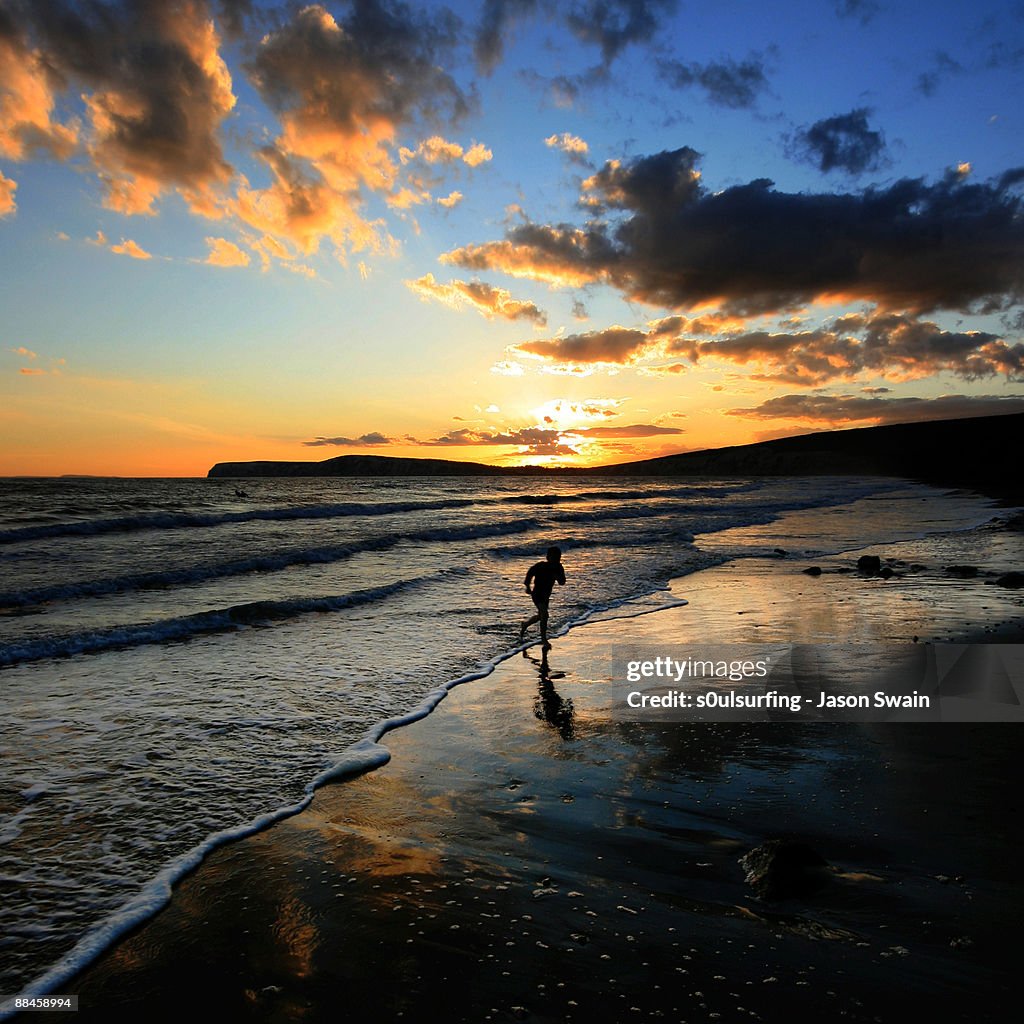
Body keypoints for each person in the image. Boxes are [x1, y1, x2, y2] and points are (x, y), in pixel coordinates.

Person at [520, 546, 566, 649]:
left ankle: (525, 624)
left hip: (546, 596)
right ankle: (544, 639)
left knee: (541, 616)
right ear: (547, 557)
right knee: (545, 614)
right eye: (553, 558)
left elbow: (562, 582)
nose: (555, 560)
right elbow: (530, 572)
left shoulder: (559, 568)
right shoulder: (541, 566)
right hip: (537, 594)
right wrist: (527, 586)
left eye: (557, 558)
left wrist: (557, 577)